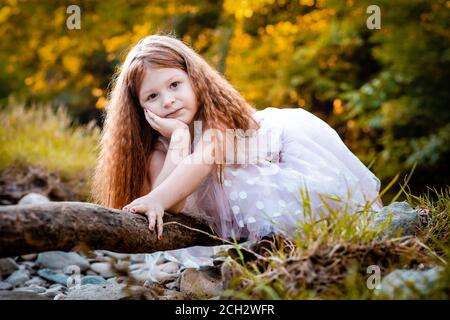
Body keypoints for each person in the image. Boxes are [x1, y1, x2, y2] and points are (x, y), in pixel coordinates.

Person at [92, 34, 382, 243]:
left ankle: (382, 222)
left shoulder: (216, 119)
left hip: (279, 151)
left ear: (194, 79)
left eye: (175, 85)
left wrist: (157, 197)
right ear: (139, 109)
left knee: (337, 201)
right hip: (238, 196)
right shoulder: (158, 147)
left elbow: (205, 156)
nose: (167, 101)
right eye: (152, 96)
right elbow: (173, 204)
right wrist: (179, 140)